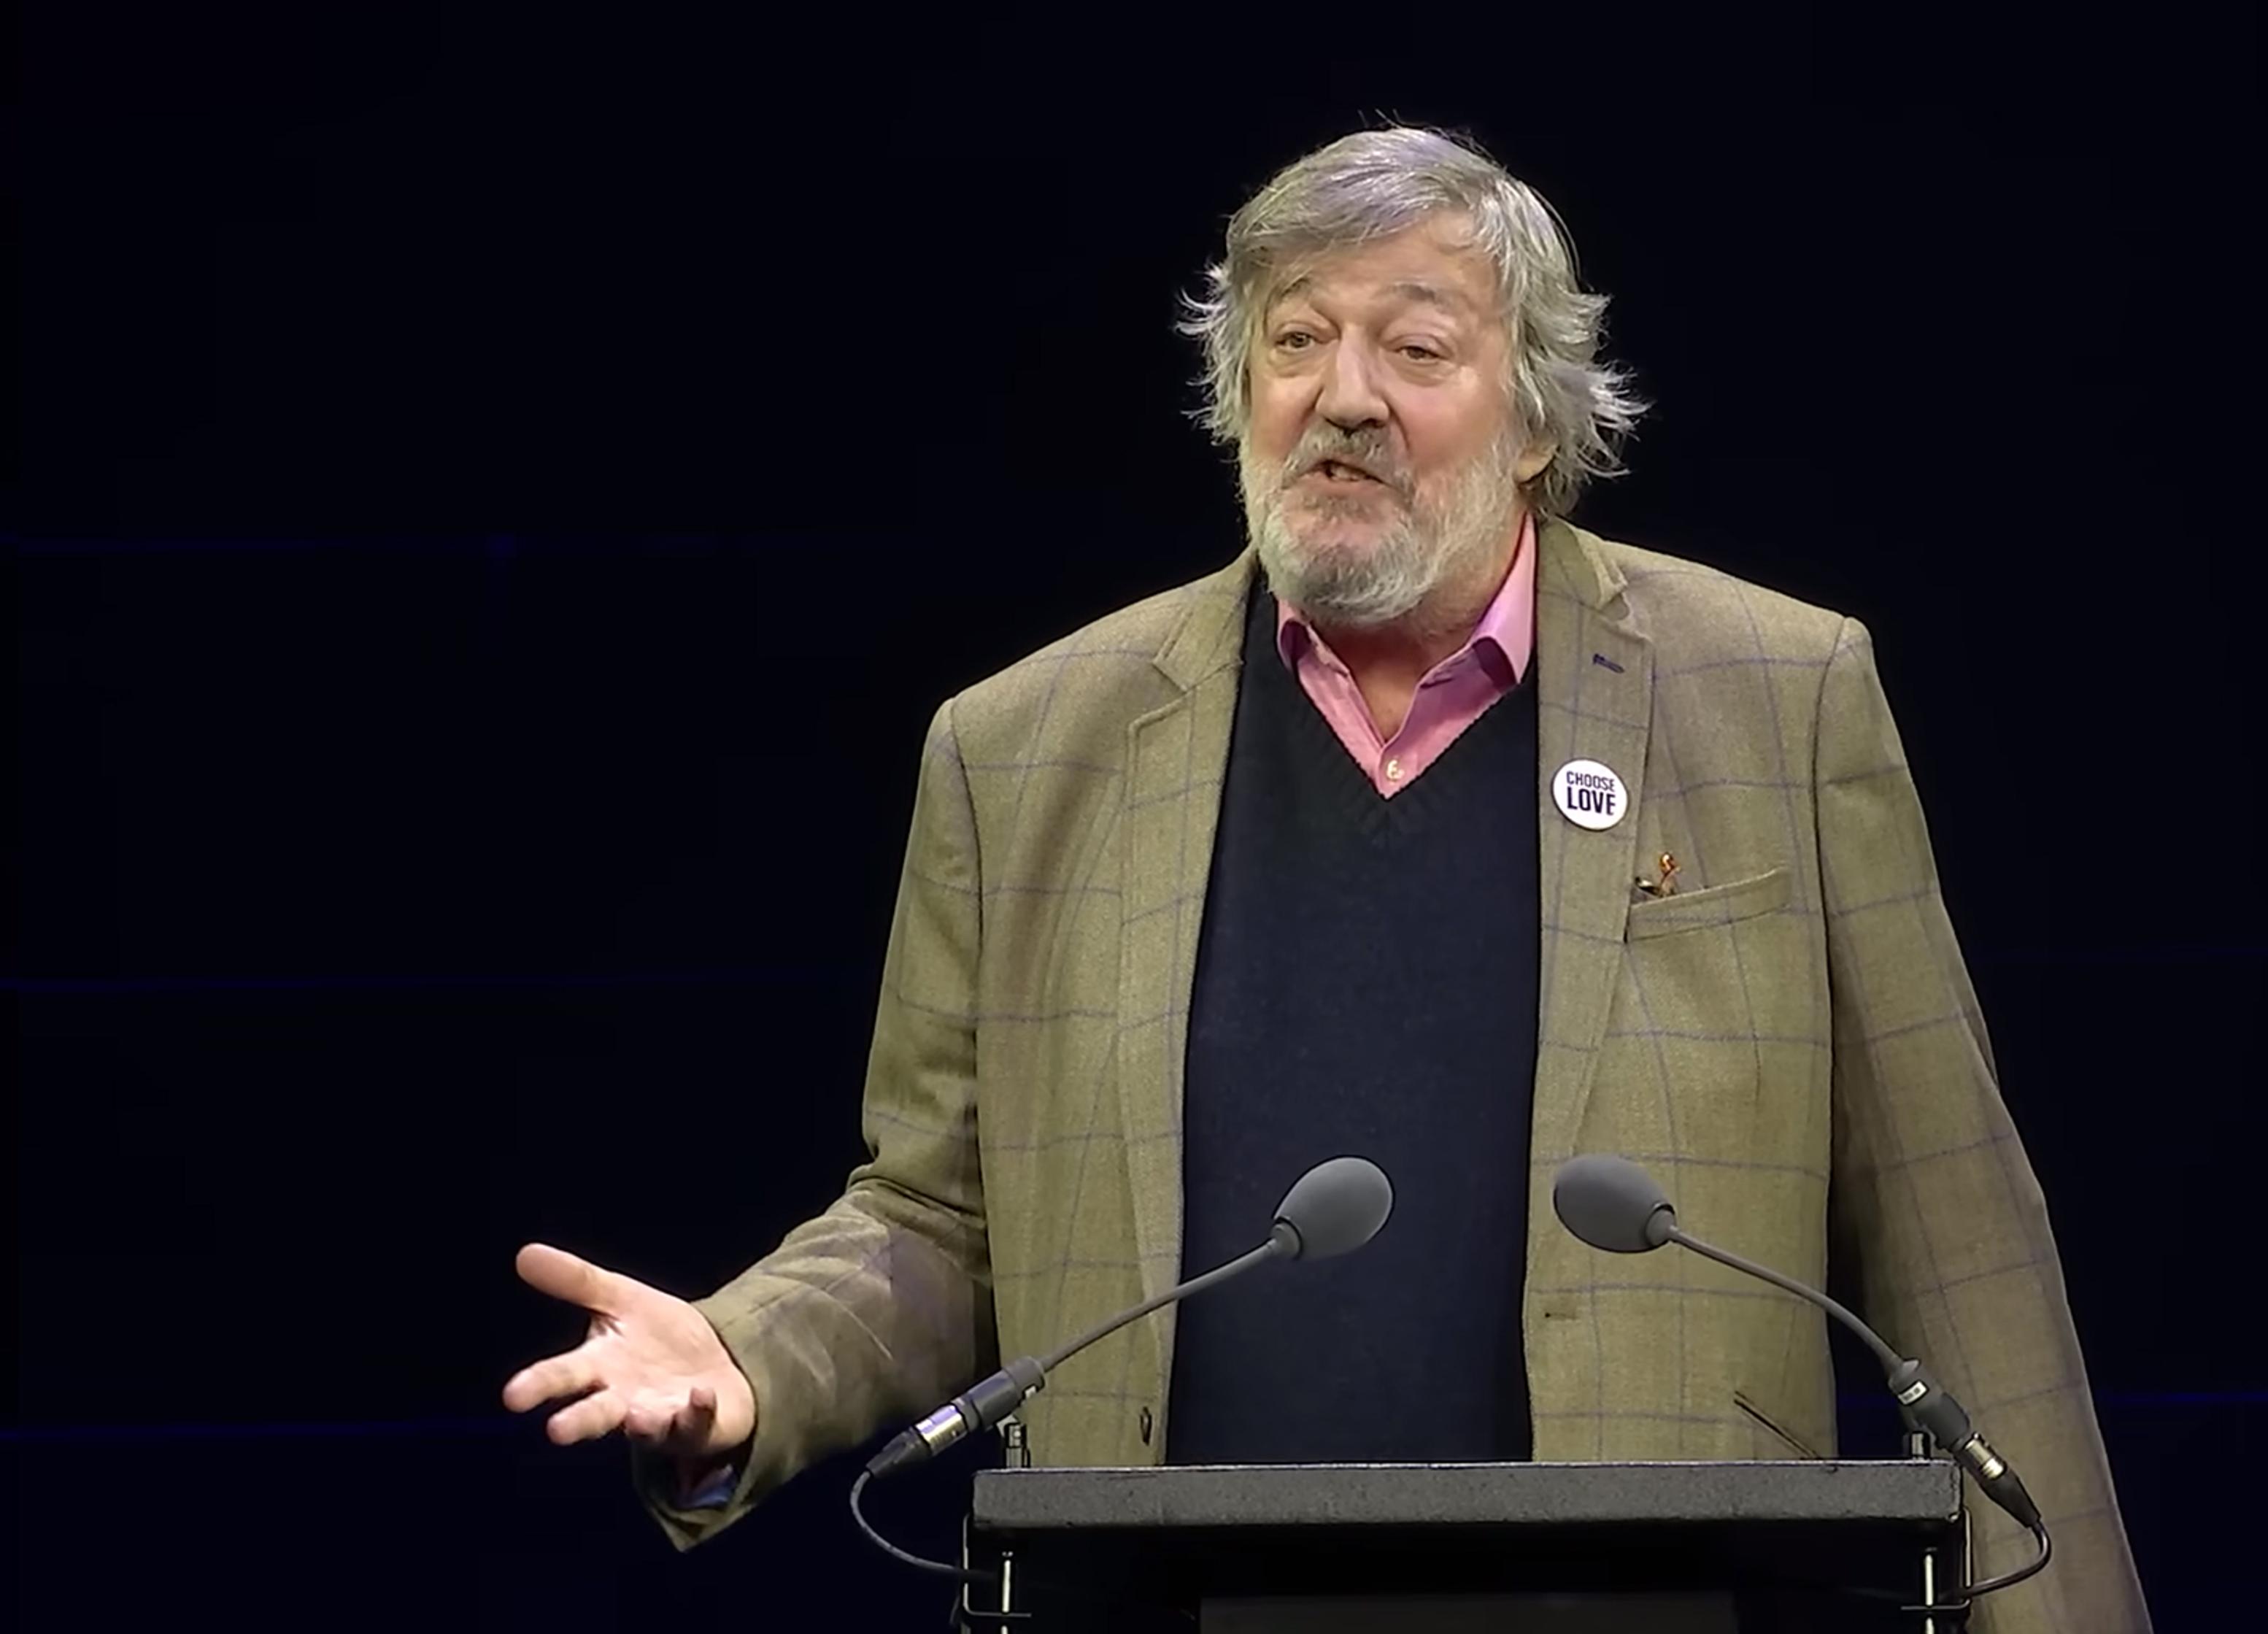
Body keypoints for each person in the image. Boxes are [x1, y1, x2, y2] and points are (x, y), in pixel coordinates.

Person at [503, 126, 2152, 1631]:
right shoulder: (1022, 750)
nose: (1342, 393)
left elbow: (1961, 1241)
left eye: (1416, 345)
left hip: (1656, 1600)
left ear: (1535, 421)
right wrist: (749, 1354)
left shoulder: (1774, 698)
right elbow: (938, 1213)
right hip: (1163, 1603)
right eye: (1294, 341)